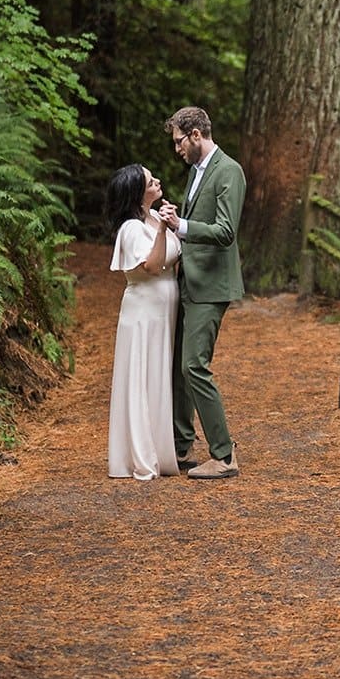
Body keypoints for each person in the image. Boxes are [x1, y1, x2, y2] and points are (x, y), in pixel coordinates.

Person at [158, 106, 245, 480]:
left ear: (196, 135)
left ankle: (224, 456)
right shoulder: (197, 171)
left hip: (211, 285)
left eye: (179, 141)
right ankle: (180, 450)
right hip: (188, 281)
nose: (176, 148)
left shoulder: (229, 171)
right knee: (179, 368)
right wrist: (180, 221)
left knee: (194, 365)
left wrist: (182, 225)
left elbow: (225, 231)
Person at [105, 164, 182, 480]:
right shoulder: (132, 229)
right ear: (138, 193)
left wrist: (170, 225)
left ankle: (160, 448)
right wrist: (163, 230)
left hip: (162, 309)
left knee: (157, 374)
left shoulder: (151, 219)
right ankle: (141, 455)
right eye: (151, 181)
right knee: (141, 375)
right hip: (143, 313)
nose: (158, 181)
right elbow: (151, 265)